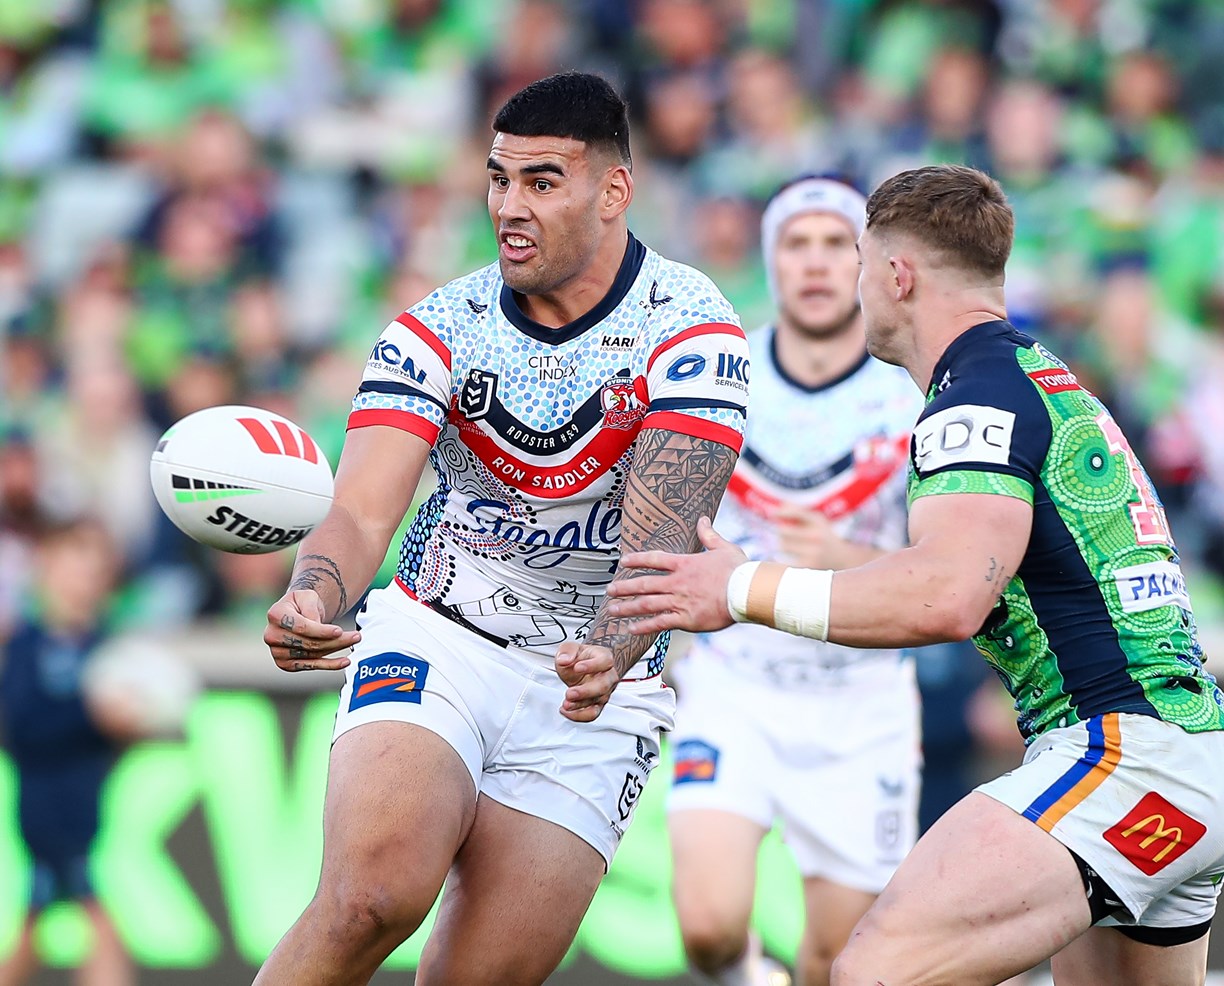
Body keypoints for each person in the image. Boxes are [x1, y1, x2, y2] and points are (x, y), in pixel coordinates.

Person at [606, 164, 1224, 986]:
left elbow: (945, 596)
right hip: (1181, 758)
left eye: (859, 261)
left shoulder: (974, 402)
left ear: (897, 276)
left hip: (1118, 756)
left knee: (873, 970)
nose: (853, 285)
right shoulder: (1035, 375)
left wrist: (737, 587)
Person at [254, 72, 750, 986]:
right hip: (439, 636)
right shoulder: (438, 329)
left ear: (614, 190)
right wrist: (314, 592)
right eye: (498, 178)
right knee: (371, 899)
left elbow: (660, 544)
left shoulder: (691, 332)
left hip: (595, 685)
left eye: (541, 182)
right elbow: (362, 508)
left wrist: (611, 648)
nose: (509, 207)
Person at [665, 175, 921, 986]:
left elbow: (946, 572)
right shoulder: (719, 376)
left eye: (835, 244)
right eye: (794, 243)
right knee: (707, 928)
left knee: (837, 962)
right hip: (734, 684)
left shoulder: (913, 394)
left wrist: (846, 560)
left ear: (868, 262)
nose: (814, 263)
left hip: (861, 703)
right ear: (769, 260)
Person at [0, 517, 135, 986]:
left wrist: (126, 725)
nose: (85, 583)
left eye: (96, 572)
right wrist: (92, 714)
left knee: (33, 926)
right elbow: (22, 725)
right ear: (45, 570)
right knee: (97, 921)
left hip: (85, 806)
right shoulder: (26, 645)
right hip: (47, 810)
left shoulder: (102, 646)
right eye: (75, 568)